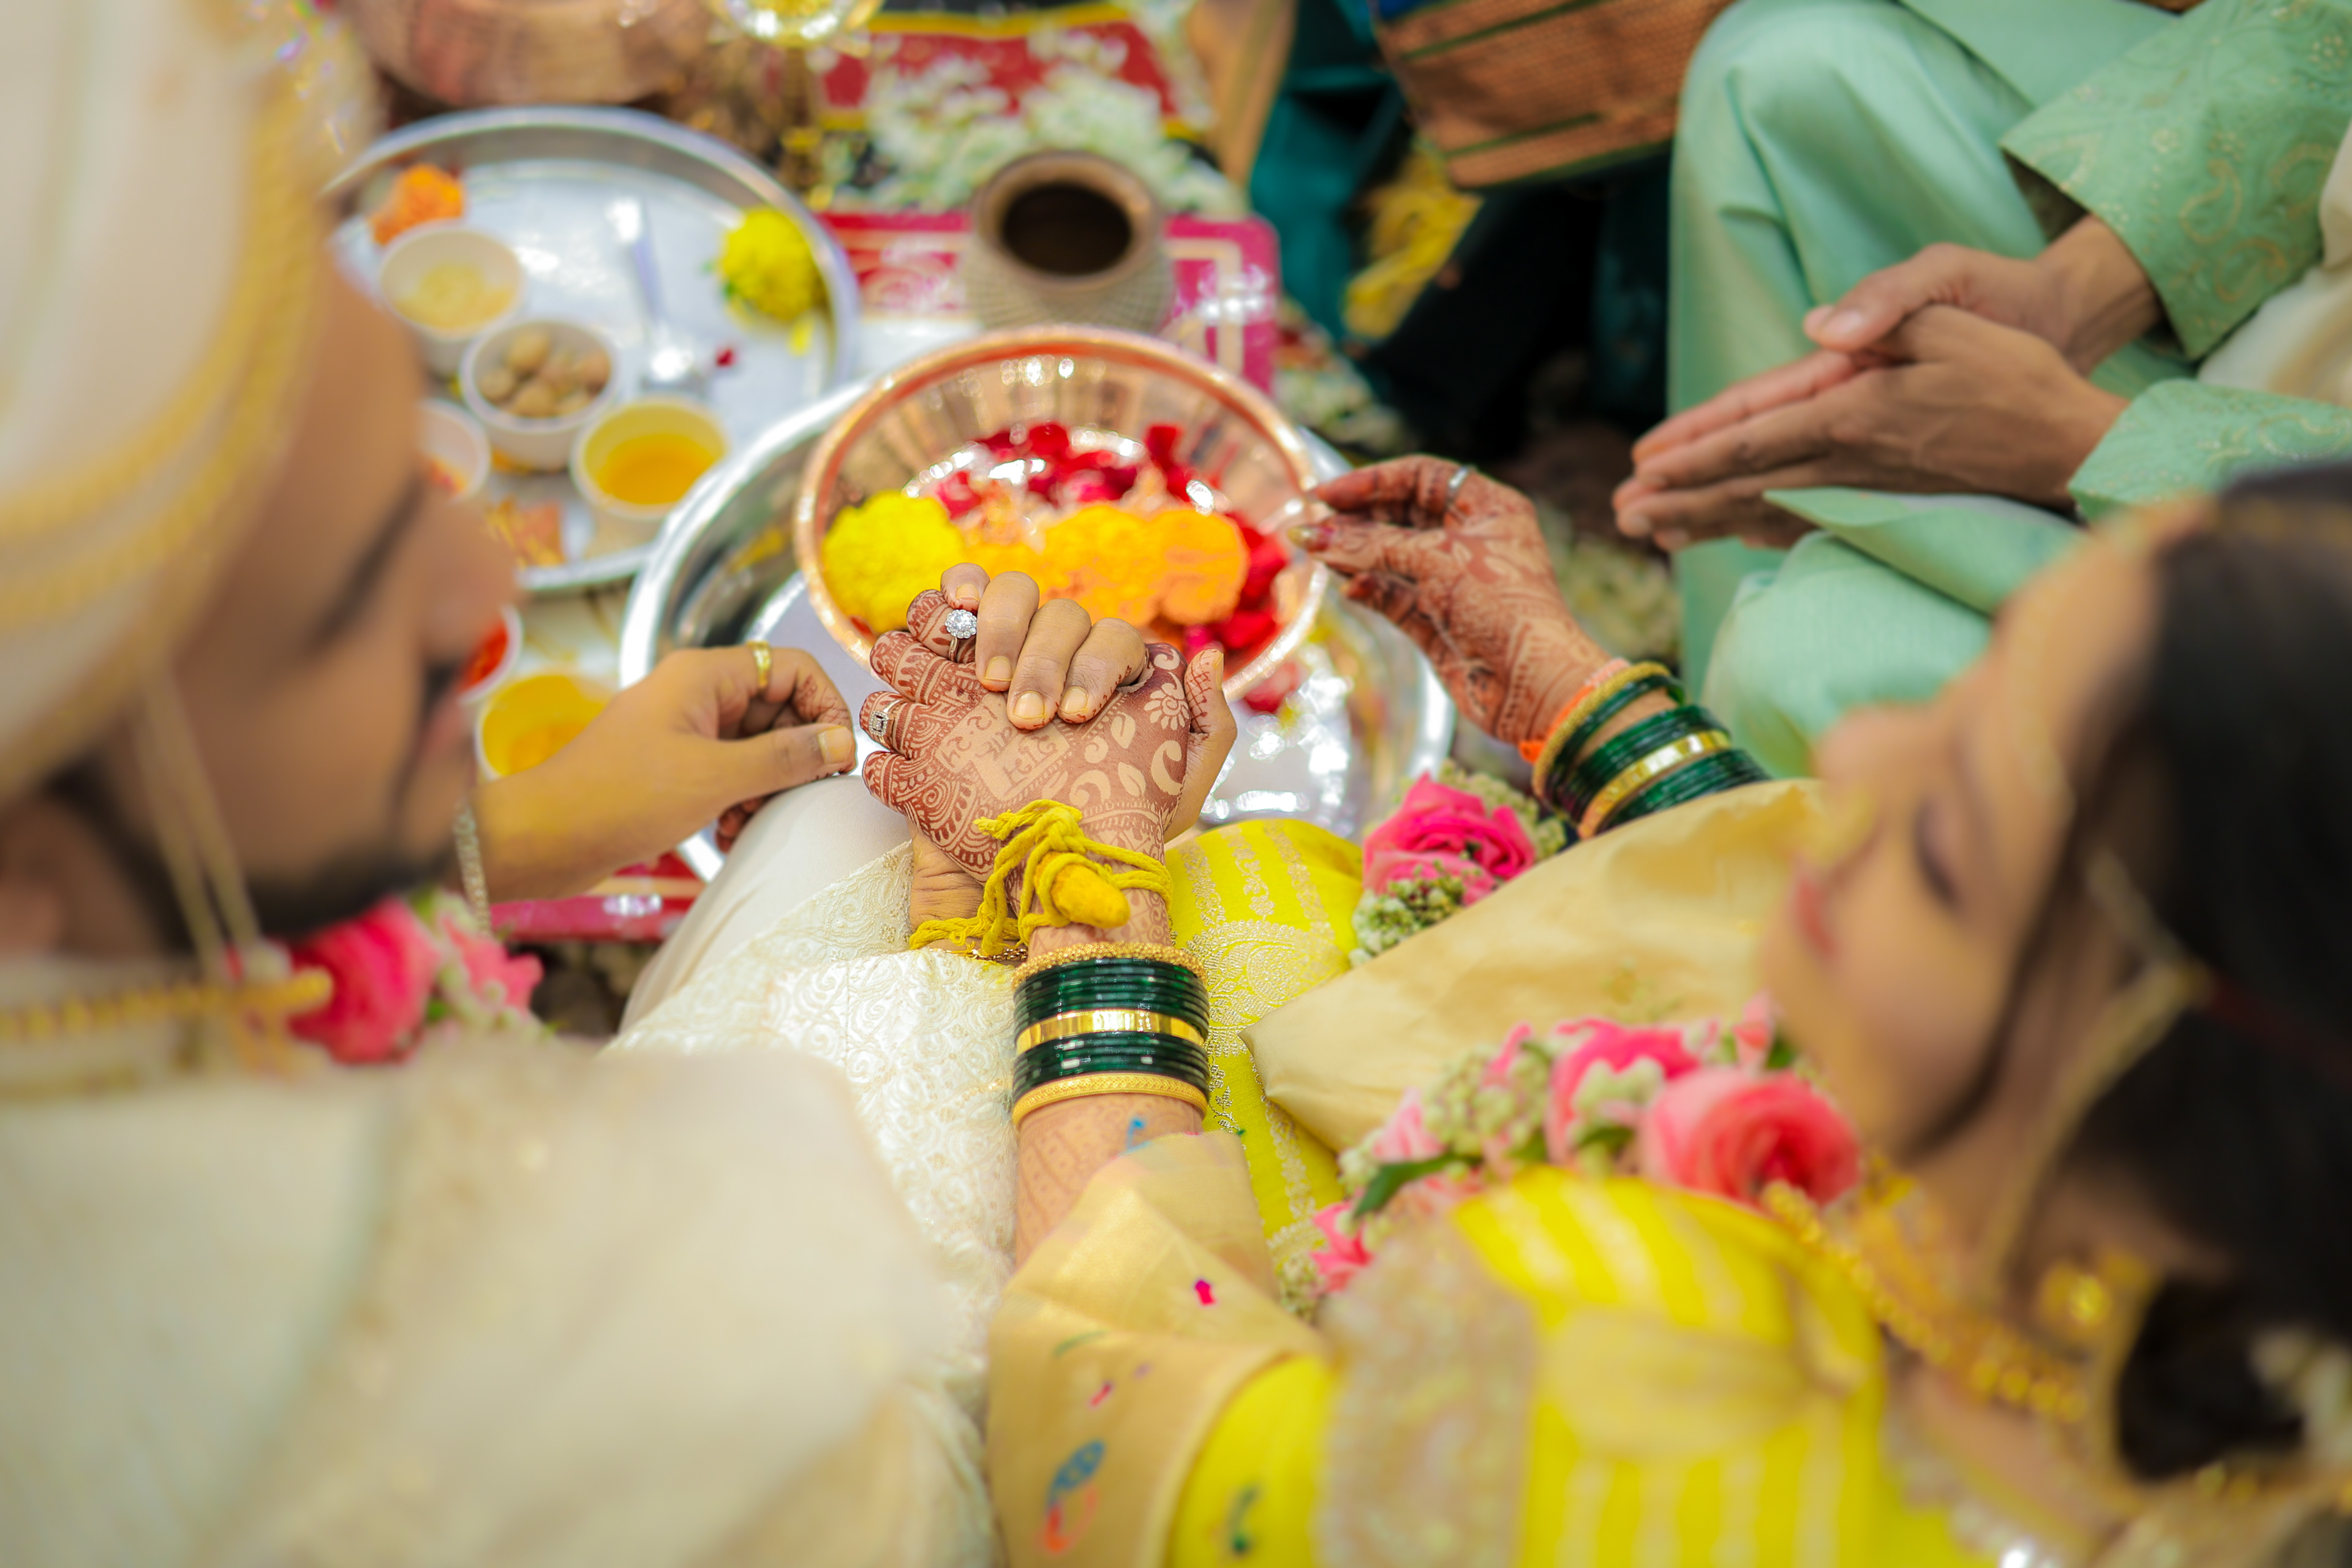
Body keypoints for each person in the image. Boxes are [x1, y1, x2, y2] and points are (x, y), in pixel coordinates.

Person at [0, 2, 1147, 1559]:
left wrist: (508, 830)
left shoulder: (102, 948)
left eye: (411, 487)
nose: (483, 583)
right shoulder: (371, 1373)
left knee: (846, 807)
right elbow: (1003, 1468)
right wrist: (1087, 923)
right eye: (342, 600)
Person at [873, 455, 2352, 1566]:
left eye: (1945, 841)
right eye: (1970, 694)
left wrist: (1088, 883)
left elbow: (1115, 1421)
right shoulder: (2204, 1310)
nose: (1856, 755)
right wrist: (1576, 702)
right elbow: (1823, 919)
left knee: (1189, 905)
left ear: (2149, 1106)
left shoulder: (1610, 1380)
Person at [1610, 0, 2352, 772]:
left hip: (2307, 589)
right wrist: (2074, 297)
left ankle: (1726, 789)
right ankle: (1701, 724)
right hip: (2294, 314)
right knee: (1778, 79)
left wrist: (2086, 443)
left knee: (1807, 660)